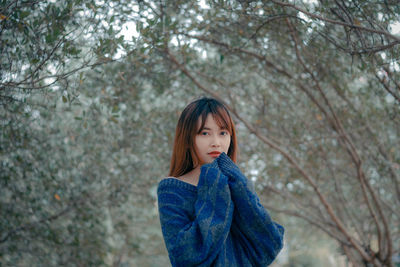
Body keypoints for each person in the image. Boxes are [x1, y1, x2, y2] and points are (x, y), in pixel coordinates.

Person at [157, 97, 284, 266]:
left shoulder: (237, 183)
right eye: (205, 133)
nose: (216, 143)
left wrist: (241, 187)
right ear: (188, 139)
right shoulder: (171, 190)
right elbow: (185, 256)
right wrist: (213, 185)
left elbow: (269, 245)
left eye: (223, 133)